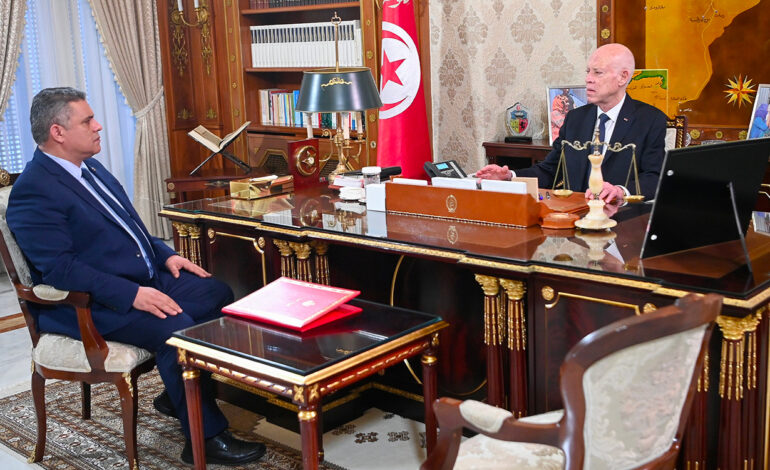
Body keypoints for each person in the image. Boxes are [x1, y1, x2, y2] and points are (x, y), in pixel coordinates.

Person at [6, 87, 265, 465]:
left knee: (216, 293)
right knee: (176, 327)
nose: (98, 127)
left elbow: (129, 227)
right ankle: (205, 438)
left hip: (137, 279)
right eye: (87, 121)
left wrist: (166, 255)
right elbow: (61, 269)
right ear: (57, 132)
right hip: (86, 304)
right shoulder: (34, 191)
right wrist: (132, 295)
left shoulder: (90, 168)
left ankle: (175, 393)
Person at [477, 43, 667, 203]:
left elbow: (654, 177)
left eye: (598, 73)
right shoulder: (576, 118)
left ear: (623, 77)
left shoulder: (650, 119)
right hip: (575, 217)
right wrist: (510, 176)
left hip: (622, 219)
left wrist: (620, 191)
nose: (588, 79)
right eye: (588, 72)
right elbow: (550, 170)